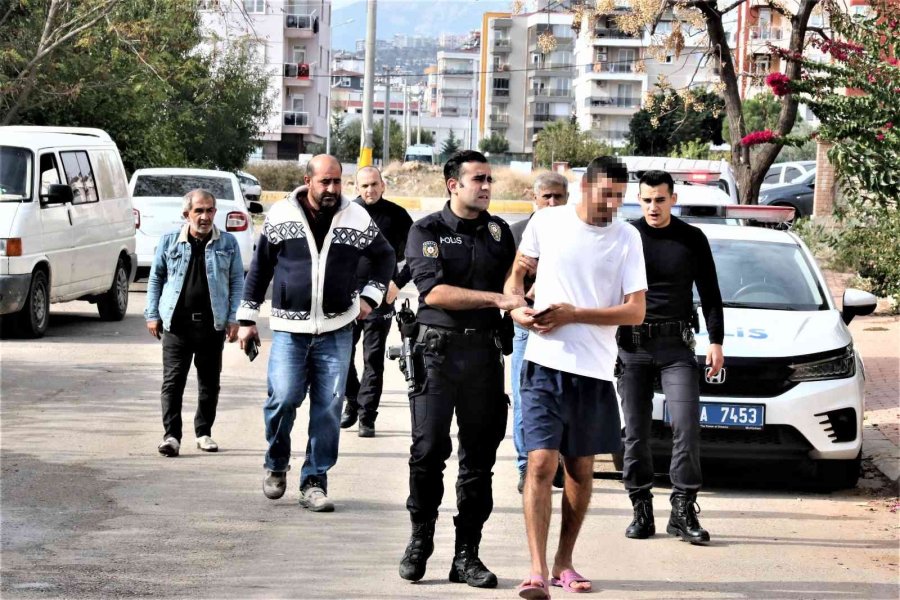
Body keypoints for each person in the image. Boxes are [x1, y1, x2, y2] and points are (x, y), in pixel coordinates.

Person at [506, 156, 647, 598]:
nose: (613, 204)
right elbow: (516, 276)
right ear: (585, 186)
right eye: (607, 194)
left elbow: (635, 310)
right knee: (541, 462)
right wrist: (516, 309)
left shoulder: (627, 238)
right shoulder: (548, 222)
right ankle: (536, 569)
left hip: (594, 370)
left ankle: (565, 562)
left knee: (580, 470)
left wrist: (574, 314)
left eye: (620, 197)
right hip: (544, 364)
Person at [237, 155, 395, 512]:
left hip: (337, 328)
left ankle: (314, 481)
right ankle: (276, 463)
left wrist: (370, 296)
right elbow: (260, 268)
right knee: (284, 398)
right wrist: (247, 319)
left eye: (338, 182)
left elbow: (385, 256)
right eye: (325, 182)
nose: (332, 189)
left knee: (328, 409)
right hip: (289, 331)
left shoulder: (355, 216)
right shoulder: (281, 215)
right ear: (308, 180)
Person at [398, 150, 524, 588]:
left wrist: (521, 295)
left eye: (489, 179)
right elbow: (433, 293)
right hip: (437, 356)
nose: (487, 186)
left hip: (484, 358)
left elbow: (514, 282)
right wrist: (498, 300)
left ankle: (467, 555)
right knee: (429, 452)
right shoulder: (426, 231)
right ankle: (420, 540)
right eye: (478, 179)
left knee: (478, 461)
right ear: (453, 184)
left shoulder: (498, 232)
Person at [617, 169, 724, 544]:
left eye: (660, 200)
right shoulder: (625, 235)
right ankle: (640, 508)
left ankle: (682, 509)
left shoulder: (692, 238)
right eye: (646, 200)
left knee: (686, 425)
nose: (653, 207)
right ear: (638, 199)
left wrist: (716, 341)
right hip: (632, 346)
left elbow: (710, 293)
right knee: (635, 432)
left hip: (676, 345)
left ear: (672, 199)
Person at [145, 189, 244, 457]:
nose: (205, 216)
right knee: (173, 381)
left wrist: (235, 318)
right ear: (186, 213)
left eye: (210, 210)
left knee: (209, 382)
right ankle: (171, 436)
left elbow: (237, 282)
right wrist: (152, 314)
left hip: (212, 325)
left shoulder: (228, 244)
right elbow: (156, 279)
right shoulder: (169, 242)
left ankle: (204, 432)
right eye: (199, 210)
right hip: (176, 325)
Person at [340, 166, 414, 438]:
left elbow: (416, 257)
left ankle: (367, 416)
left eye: (374, 184)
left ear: (383, 185)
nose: (369, 190)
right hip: (345, 298)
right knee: (341, 356)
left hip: (381, 297)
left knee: (373, 359)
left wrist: (397, 283)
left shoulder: (397, 216)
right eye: (364, 186)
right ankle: (353, 400)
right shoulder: (345, 212)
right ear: (356, 187)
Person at [509, 172, 569, 494]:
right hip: (525, 328)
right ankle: (524, 465)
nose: (552, 202)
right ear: (534, 198)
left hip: (565, 328)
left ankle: (554, 459)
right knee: (523, 400)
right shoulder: (517, 233)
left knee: (560, 400)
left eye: (558, 196)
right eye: (546, 196)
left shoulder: (577, 233)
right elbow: (507, 283)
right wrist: (522, 299)